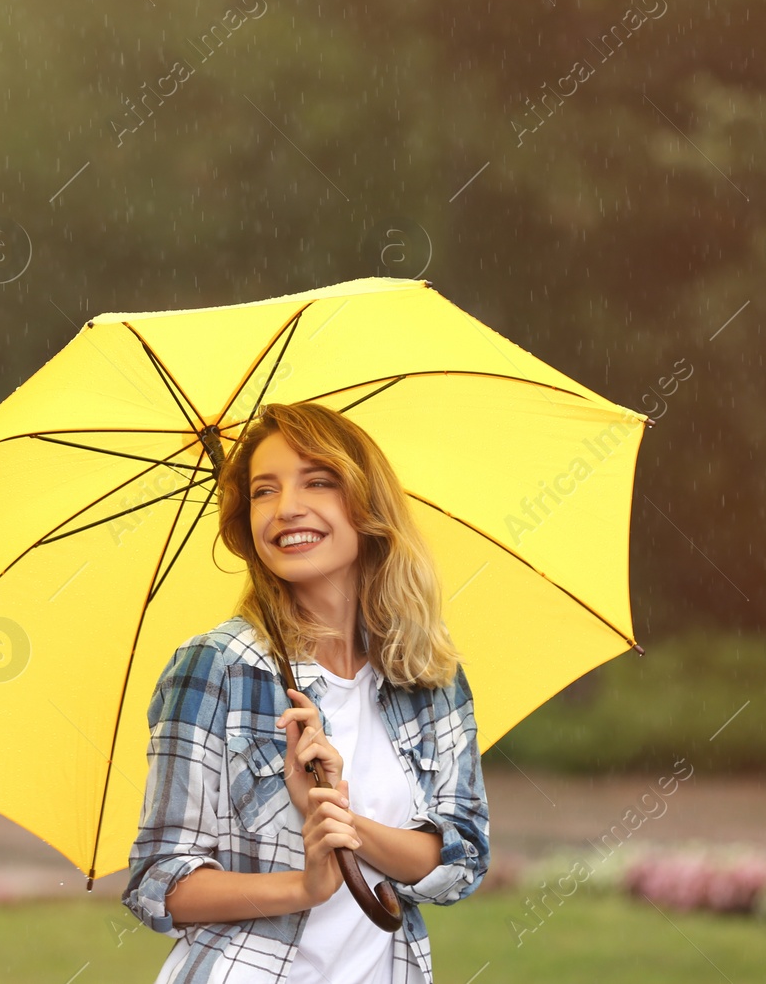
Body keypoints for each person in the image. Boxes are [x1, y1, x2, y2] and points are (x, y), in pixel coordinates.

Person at [122, 401, 490, 984]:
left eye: (317, 481)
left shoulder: (429, 675)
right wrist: (305, 885)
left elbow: (459, 860)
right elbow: (159, 881)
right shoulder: (217, 666)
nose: (286, 508)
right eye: (263, 491)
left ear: (367, 506)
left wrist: (348, 821)